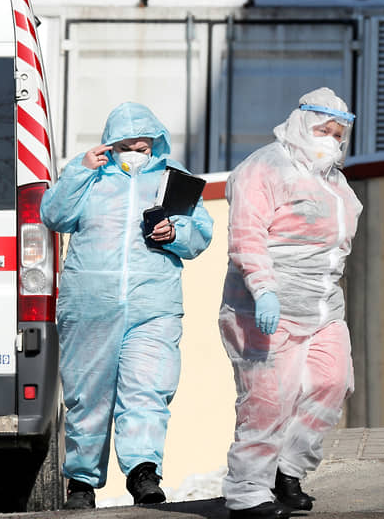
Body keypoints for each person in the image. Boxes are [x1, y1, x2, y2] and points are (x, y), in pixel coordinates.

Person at [40, 102, 213, 509]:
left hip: (153, 304)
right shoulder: (90, 176)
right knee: (87, 394)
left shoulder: (173, 179)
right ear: (110, 145)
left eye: (143, 146)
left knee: (148, 388)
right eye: (126, 146)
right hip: (89, 305)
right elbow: (54, 215)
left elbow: (200, 233)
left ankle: (143, 472)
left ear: (155, 145)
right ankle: (81, 482)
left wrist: (176, 231)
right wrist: (80, 170)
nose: (135, 152)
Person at [218, 87, 362, 519]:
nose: (330, 140)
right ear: (302, 124)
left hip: (323, 306)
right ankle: (247, 492)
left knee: (332, 382)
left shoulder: (332, 178)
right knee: (268, 401)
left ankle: (288, 468)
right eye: (323, 130)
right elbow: (247, 234)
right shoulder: (263, 168)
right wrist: (264, 288)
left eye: (337, 134)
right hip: (265, 305)